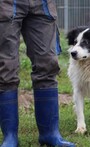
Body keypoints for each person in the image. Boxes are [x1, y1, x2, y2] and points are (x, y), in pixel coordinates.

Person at [0, 0, 75, 146]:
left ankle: (50, 134)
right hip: (7, 3)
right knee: (6, 67)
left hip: (42, 4)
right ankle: (10, 137)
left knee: (47, 64)